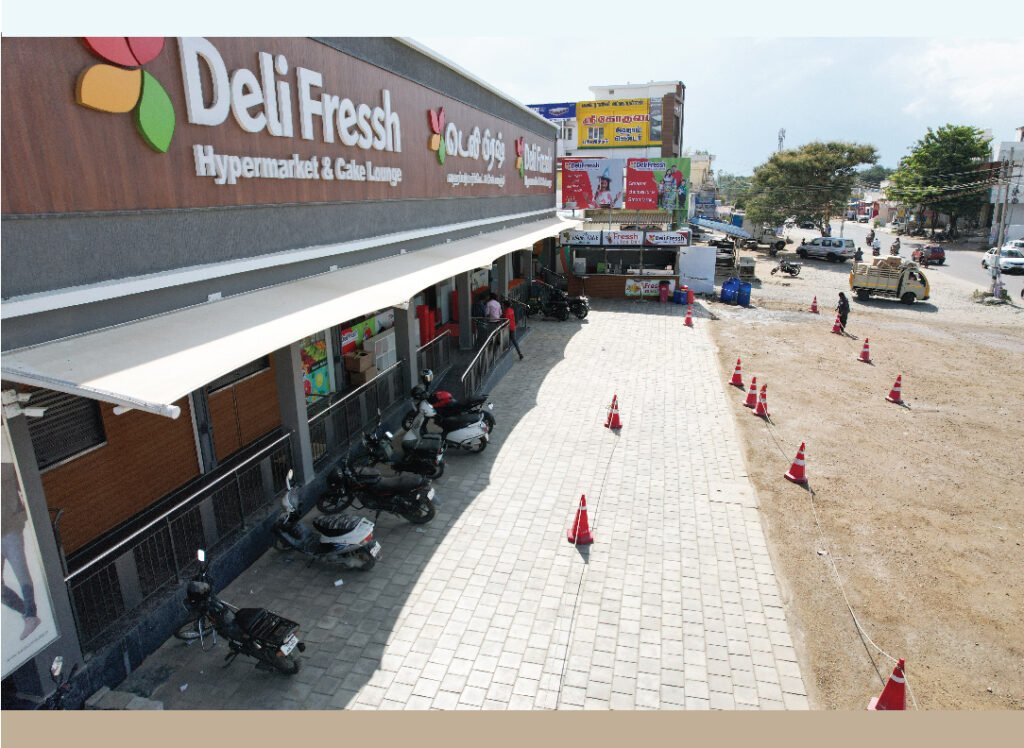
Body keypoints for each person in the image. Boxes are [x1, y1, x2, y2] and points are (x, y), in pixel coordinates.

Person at [2, 462, 42, 641]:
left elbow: (23, 491)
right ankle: (27, 613)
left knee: (21, 571)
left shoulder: (7, 466)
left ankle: (31, 616)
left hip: (11, 528)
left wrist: (21, 518)